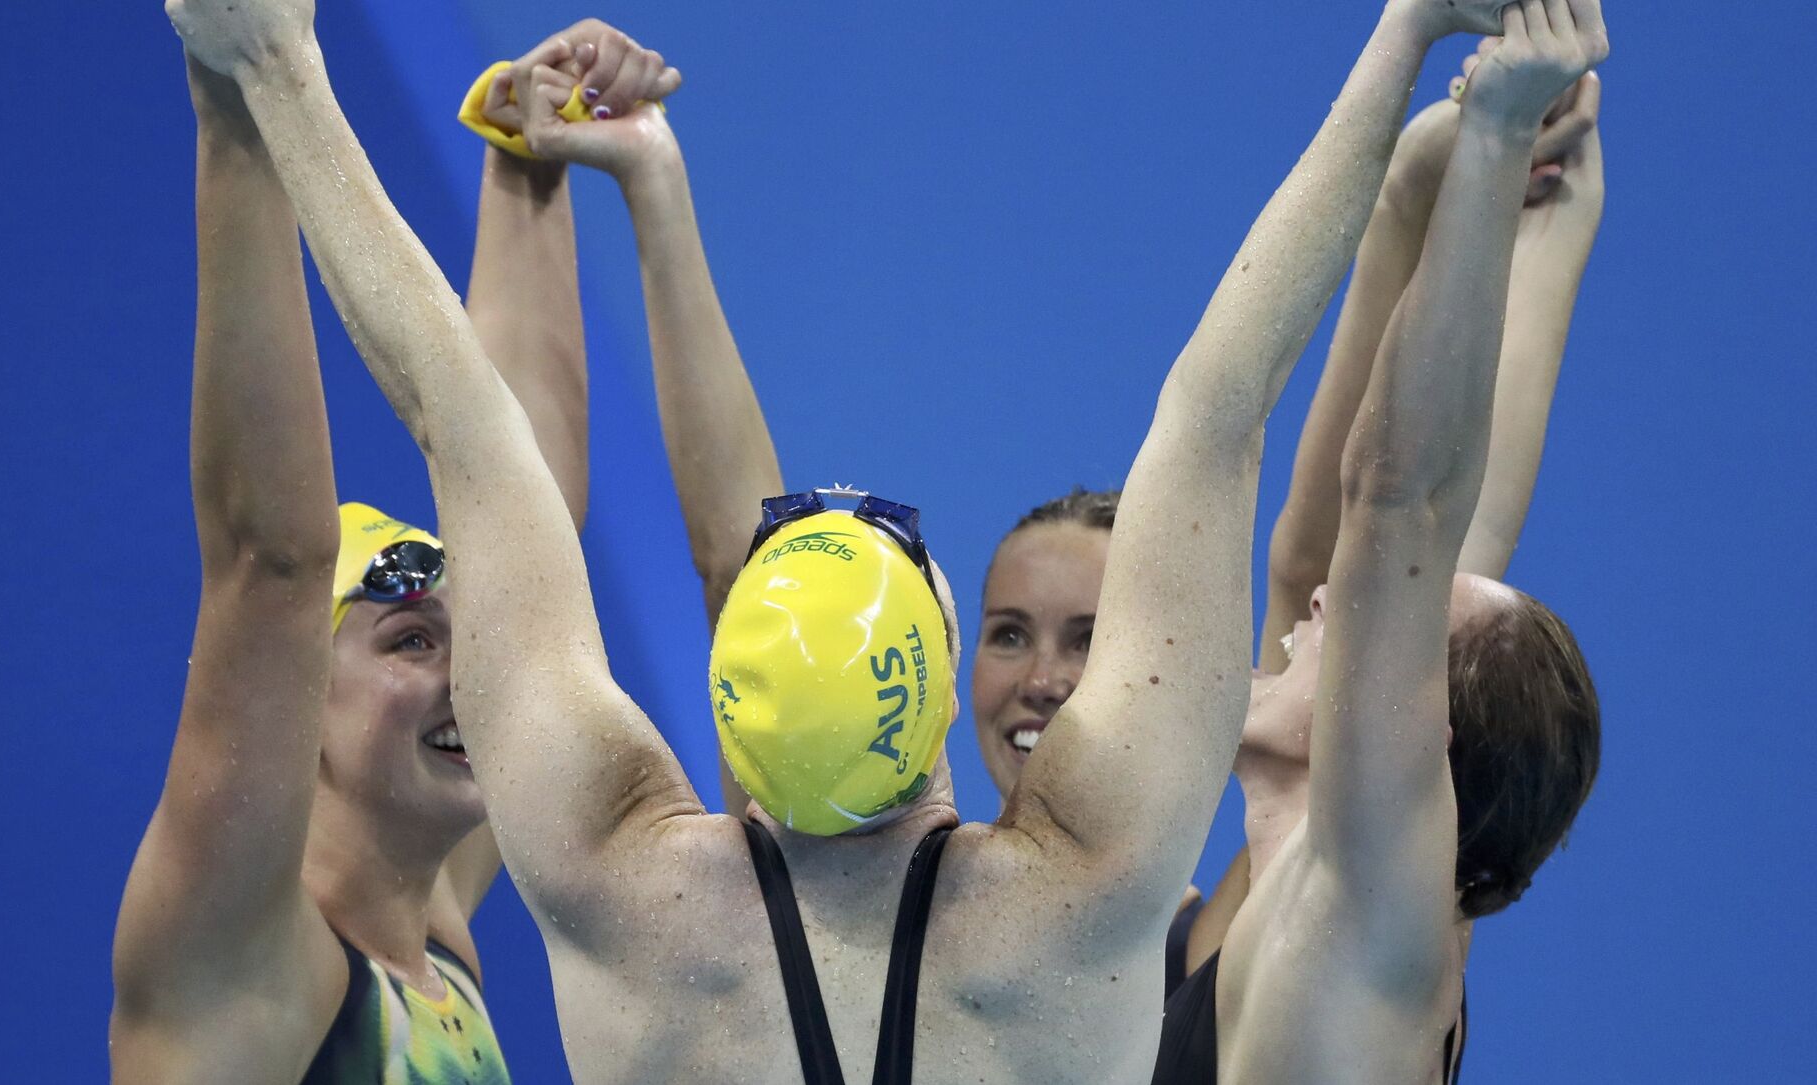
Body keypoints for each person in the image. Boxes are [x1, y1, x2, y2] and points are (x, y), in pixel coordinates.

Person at [162, 0, 1518, 1080]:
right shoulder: (1085, 895)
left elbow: (461, 420)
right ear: (932, 677)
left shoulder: (618, 883)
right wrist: (1403, 34)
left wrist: (277, 68)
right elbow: (1217, 412)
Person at [106, 22, 672, 1079]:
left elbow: (524, 506)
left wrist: (528, 158)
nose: (471, 671)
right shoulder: (240, 959)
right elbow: (271, 562)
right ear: (300, 695)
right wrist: (238, 96)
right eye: (410, 640)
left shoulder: (432, 926)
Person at [1152, 2, 1609, 1081]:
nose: (1327, 602)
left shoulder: (1371, 923)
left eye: (1373, 627)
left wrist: (1498, 136)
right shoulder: (1327, 900)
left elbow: (1403, 503)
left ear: (1414, 741)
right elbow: (1352, 546)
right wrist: (1540, 212)